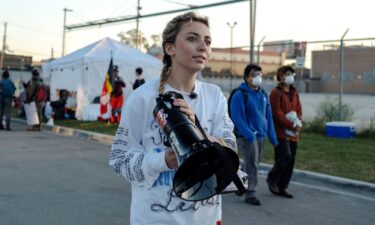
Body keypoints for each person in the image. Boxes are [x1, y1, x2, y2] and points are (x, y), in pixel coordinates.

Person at [109, 12, 237, 225]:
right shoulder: (142, 98)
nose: (203, 46)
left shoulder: (215, 96)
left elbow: (231, 148)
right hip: (154, 219)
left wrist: (199, 133)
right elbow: (119, 160)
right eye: (192, 38)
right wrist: (164, 160)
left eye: (207, 41)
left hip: (206, 219)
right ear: (170, 48)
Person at [229, 64, 278, 206]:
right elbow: (237, 118)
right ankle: (250, 192)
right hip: (247, 136)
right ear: (246, 77)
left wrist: (272, 136)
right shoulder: (240, 94)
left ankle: (239, 183)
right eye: (254, 74)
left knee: (254, 162)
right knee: (252, 164)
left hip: (261, 136)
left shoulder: (263, 95)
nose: (257, 77)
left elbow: (268, 116)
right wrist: (249, 134)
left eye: (260, 74)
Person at [267, 65, 303, 198]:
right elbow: (277, 114)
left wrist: (299, 121)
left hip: (293, 133)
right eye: (286, 73)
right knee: (284, 156)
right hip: (280, 132)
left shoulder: (295, 92)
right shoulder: (276, 93)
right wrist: (290, 125)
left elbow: (299, 109)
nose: (290, 76)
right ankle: (272, 178)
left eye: (291, 73)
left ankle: (283, 186)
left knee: (291, 159)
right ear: (280, 77)